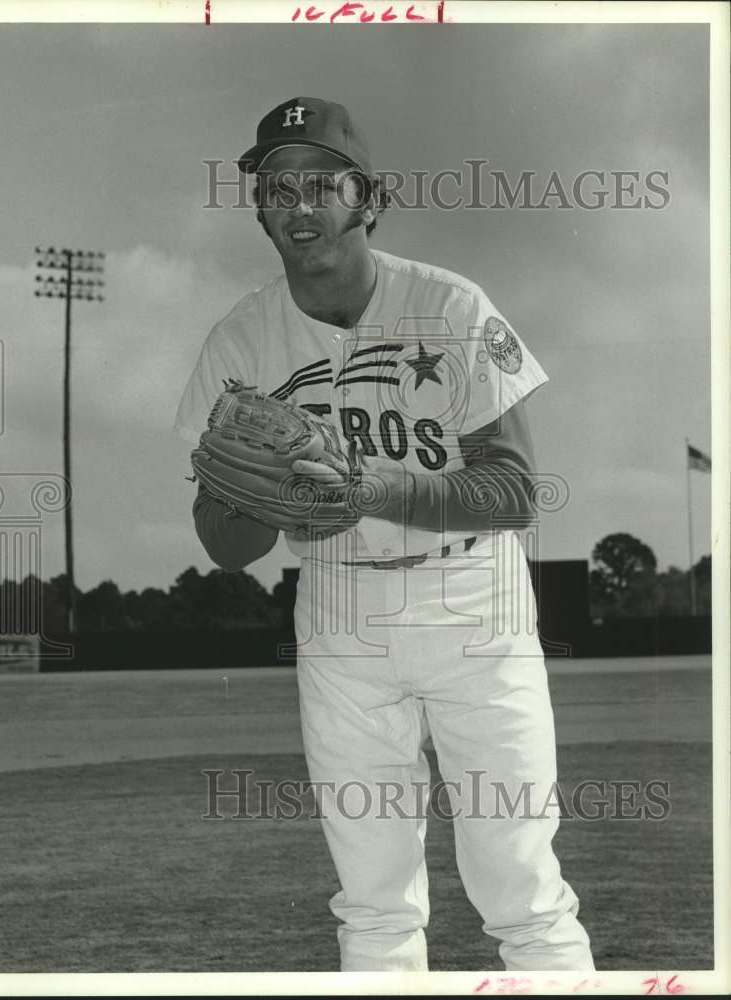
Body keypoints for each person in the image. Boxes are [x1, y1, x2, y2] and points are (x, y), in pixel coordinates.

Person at [174, 97, 594, 972]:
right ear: (259, 207)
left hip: (472, 598)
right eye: (277, 186)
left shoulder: (451, 306)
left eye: (323, 182)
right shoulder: (237, 341)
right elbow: (225, 546)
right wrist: (256, 494)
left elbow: (512, 492)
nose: (299, 203)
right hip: (337, 604)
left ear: (369, 199)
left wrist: (368, 481)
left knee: (521, 890)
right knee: (371, 903)